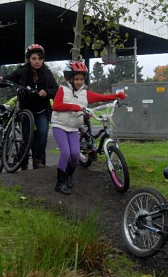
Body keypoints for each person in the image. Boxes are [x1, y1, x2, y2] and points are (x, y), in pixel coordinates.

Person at [51, 61, 126, 195]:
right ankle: (60, 183)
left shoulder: (85, 93)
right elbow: (56, 106)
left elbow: (102, 97)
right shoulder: (63, 89)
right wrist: (73, 107)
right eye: (77, 79)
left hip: (74, 128)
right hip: (60, 125)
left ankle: (68, 175)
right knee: (66, 153)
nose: (79, 82)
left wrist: (116, 96)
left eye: (81, 79)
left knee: (75, 155)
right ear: (70, 78)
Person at [0, 44, 59, 169]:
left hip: (42, 109)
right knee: (26, 136)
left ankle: (38, 159)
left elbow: (55, 89)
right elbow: (8, 80)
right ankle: (22, 161)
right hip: (26, 109)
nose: (37, 62)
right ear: (29, 59)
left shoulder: (47, 72)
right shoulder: (22, 71)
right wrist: (0, 79)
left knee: (42, 133)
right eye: (34, 58)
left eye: (40, 59)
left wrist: (46, 92)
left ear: (43, 60)